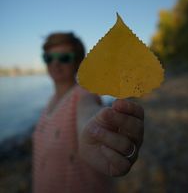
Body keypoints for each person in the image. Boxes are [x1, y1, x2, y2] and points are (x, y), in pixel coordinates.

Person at [32, 32, 144, 193]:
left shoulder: (83, 94)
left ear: (78, 62)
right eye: (49, 58)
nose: (55, 63)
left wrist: (97, 129)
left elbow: (88, 112)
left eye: (64, 58)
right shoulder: (50, 101)